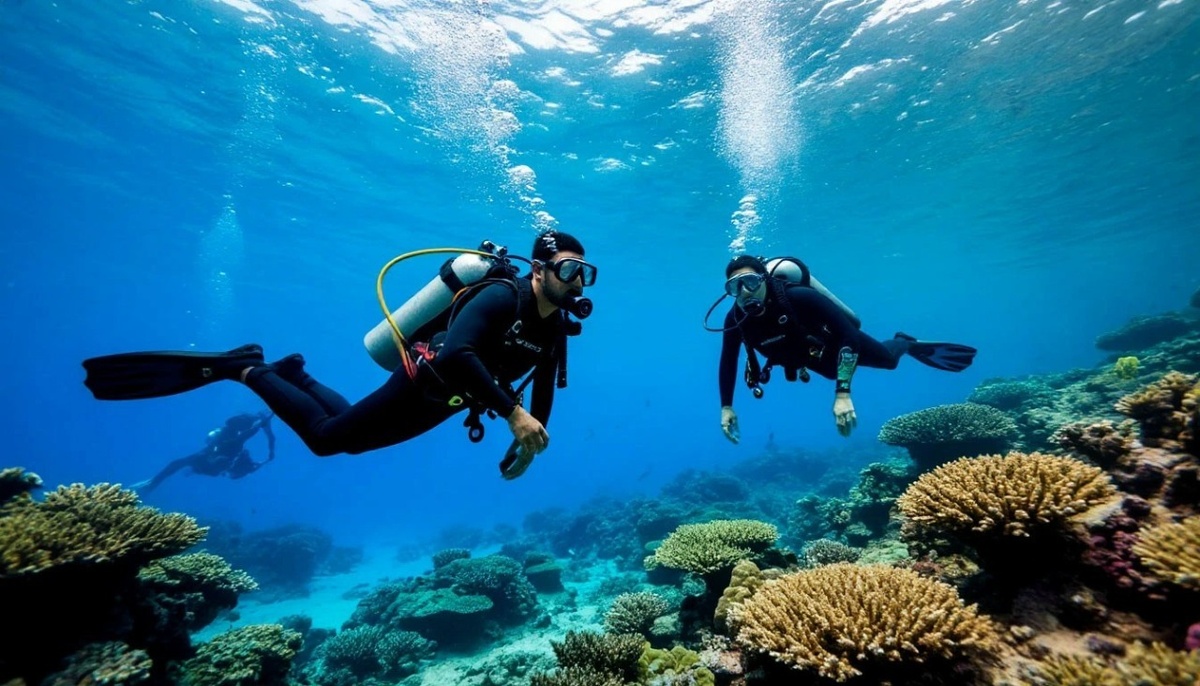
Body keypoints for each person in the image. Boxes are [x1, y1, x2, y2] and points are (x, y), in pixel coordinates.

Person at [83, 231, 595, 479]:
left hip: (450, 403)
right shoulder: (503, 296)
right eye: (569, 270)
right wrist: (512, 414)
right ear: (539, 269)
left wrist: (530, 441)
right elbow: (458, 352)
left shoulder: (555, 329)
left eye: (584, 274)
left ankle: (295, 376)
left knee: (348, 431)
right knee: (329, 441)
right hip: (425, 384)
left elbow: (544, 388)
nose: (576, 283)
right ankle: (245, 367)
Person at [717, 255, 976, 441]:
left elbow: (849, 334)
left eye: (750, 281)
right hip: (806, 356)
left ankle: (904, 342)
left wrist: (843, 394)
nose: (744, 292)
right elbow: (728, 361)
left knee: (888, 361)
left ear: (763, 279)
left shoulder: (798, 297)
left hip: (837, 341)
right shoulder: (735, 319)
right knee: (831, 371)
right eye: (734, 287)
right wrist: (726, 407)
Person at [131, 411, 276, 493]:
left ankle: (152, 484)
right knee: (195, 465)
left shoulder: (233, 443)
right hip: (216, 454)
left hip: (223, 456)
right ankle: (151, 484)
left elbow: (259, 434)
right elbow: (176, 464)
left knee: (212, 468)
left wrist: (270, 451)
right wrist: (153, 482)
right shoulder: (228, 440)